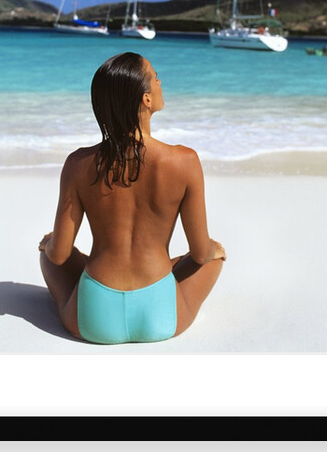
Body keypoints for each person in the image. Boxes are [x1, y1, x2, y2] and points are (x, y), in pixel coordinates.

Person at [39, 51, 226, 344]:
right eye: (155, 77)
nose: (160, 81)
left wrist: (49, 243)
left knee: (48, 255)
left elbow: (60, 255)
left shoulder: (78, 163)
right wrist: (211, 249)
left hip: (93, 316)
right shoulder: (184, 161)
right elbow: (201, 254)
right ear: (146, 99)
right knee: (213, 256)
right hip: (159, 312)